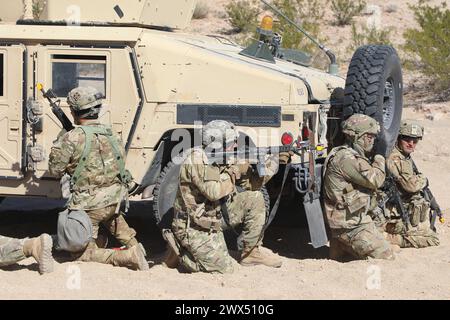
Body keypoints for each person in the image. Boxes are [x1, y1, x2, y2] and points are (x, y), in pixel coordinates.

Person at [48, 86, 148, 271]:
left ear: (73, 111)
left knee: (82, 255)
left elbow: (55, 170)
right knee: (117, 225)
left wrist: (61, 137)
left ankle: (127, 256)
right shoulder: (111, 134)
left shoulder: (72, 137)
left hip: (90, 205)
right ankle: (136, 248)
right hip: (115, 200)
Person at [168, 120, 285, 273]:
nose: (236, 145)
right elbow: (214, 192)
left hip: (215, 214)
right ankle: (178, 250)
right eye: (232, 142)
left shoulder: (224, 156)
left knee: (254, 198)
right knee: (223, 269)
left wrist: (276, 160)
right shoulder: (197, 159)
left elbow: (253, 185)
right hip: (194, 224)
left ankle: (250, 253)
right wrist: (236, 170)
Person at [323, 114, 395, 260]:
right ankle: (344, 245)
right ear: (356, 136)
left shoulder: (352, 155)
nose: (372, 140)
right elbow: (376, 180)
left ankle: (344, 248)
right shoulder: (346, 158)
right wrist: (380, 155)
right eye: (369, 136)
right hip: (349, 226)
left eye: (373, 137)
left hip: (354, 219)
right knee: (387, 255)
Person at [382, 120, 439, 248]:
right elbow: (411, 186)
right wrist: (423, 179)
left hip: (404, 210)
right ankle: (390, 239)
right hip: (394, 215)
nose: (411, 144)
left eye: (415, 141)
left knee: (430, 230)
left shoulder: (405, 157)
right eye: (407, 139)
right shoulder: (395, 157)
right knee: (433, 239)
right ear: (398, 137)